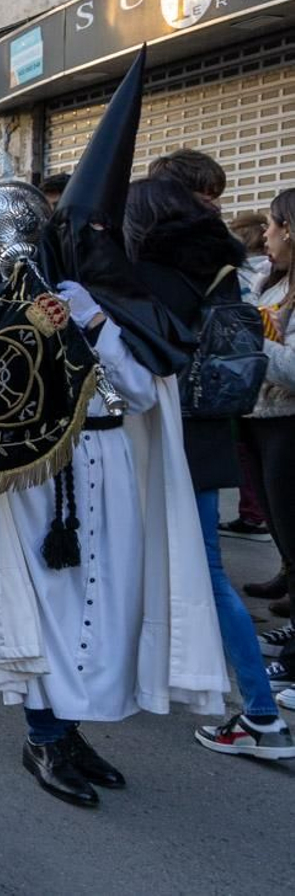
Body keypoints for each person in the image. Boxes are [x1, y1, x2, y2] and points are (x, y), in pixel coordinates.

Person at [0, 50, 228, 808]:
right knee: (48, 605)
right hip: (39, 472)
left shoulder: (119, 301)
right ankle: (43, 735)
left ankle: (69, 730)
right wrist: (35, 319)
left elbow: (136, 390)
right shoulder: (14, 295)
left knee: (105, 603)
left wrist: (94, 320)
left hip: (110, 459)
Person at [123, 172, 295, 758]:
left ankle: (261, 714)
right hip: (210, 434)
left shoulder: (150, 279)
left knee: (201, 576)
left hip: (164, 439)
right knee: (196, 570)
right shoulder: (222, 272)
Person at [244, 189, 295, 691]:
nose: (266, 235)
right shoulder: (273, 280)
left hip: (287, 424)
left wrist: (254, 338)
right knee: (283, 535)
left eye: (273, 225)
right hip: (262, 420)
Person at [224, 210, 276, 549]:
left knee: (253, 457)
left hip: (261, 391)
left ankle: (253, 514)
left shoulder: (247, 276)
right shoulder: (272, 277)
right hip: (263, 392)